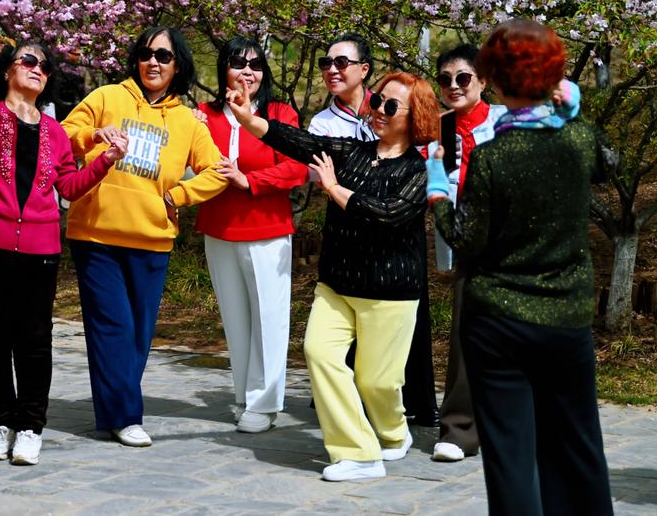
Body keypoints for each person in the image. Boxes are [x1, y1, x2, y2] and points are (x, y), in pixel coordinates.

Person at [426, 19, 612, 516]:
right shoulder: (579, 141)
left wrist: (438, 191)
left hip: (500, 323)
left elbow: (467, 238)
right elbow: (607, 162)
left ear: (495, 80)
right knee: (579, 447)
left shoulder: (491, 158)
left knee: (510, 457)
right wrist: (570, 107)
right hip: (567, 317)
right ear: (556, 79)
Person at [229, 71, 437, 482]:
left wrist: (334, 189)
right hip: (337, 284)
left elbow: (387, 215)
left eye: (391, 106)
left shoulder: (417, 170)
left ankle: (394, 435)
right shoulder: (351, 152)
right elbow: (299, 141)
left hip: (389, 291)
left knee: (377, 383)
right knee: (320, 354)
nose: (378, 110)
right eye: (377, 100)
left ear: (415, 118)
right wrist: (250, 118)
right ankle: (358, 452)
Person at [0, 34, 125, 467]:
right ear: (7, 70)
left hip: (39, 246)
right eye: (28, 60)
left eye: (45, 65)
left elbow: (69, 188)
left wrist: (106, 160)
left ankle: (31, 428)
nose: (38, 67)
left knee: (34, 341)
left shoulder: (56, 133)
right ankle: (0, 424)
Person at [60, 24, 233, 447]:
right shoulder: (107, 97)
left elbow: (220, 170)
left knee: (137, 333)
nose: (153, 62)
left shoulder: (186, 121)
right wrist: (92, 134)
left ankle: (111, 411)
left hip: (152, 239)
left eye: (164, 56)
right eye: (146, 53)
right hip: (96, 235)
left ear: (178, 66)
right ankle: (127, 416)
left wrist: (179, 195)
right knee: (112, 326)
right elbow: (60, 138)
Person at [196, 36, 305, 434]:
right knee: (236, 318)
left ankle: (265, 402)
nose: (248, 71)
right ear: (223, 68)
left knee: (269, 318)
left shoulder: (279, 114)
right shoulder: (203, 115)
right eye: (238, 63)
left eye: (256, 65)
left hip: (268, 229)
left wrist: (249, 180)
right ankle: (243, 395)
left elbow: (296, 169)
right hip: (220, 228)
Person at [429, 42, 507, 463]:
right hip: (468, 245)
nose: (453, 86)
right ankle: (458, 429)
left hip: (512, 243)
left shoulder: (505, 121)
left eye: (463, 78)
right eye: (445, 79)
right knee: (465, 335)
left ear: (483, 81)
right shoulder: (436, 128)